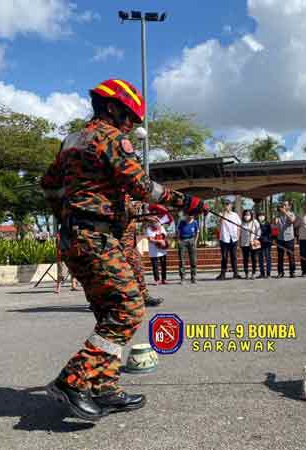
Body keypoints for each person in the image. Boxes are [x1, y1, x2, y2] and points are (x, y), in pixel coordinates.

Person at [40, 78, 207, 420]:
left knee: (108, 313)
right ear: (112, 108)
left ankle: (105, 389)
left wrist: (65, 218)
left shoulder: (71, 141)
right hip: (97, 240)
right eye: (131, 117)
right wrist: (186, 201)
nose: (132, 126)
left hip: (77, 239)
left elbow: (51, 186)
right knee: (129, 308)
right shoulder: (111, 137)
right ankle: (73, 380)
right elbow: (140, 185)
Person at [120, 199, 163, 307]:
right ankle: (99, 301)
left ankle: (143, 296)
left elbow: (134, 216)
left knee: (138, 268)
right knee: (111, 272)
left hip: (130, 244)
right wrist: (145, 214)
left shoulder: (132, 199)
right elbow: (126, 213)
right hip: (116, 243)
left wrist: (148, 217)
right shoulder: (118, 197)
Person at [216, 199, 241, 280]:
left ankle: (235, 273)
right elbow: (219, 224)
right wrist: (224, 213)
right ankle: (222, 274)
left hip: (234, 239)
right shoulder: (220, 214)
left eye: (228, 204)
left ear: (231, 205)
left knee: (234, 256)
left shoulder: (235, 215)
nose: (226, 206)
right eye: (225, 204)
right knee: (224, 257)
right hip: (224, 238)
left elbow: (238, 227)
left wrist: (238, 238)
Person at [275, 201, 296, 278]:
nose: (283, 206)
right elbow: (274, 225)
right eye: (282, 205)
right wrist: (275, 220)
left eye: (285, 205)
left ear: (288, 207)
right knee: (280, 256)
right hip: (280, 238)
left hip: (289, 238)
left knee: (291, 256)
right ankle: (280, 272)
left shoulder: (291, 214)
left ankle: (292, 272)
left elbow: (292, 221)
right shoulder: (278, 215)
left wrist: (285, 213)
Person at [177, 214, 200, 284]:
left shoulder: (195, 222)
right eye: (189, 215)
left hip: (191, 240)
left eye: (192, 215)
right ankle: (182, 278)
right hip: (182, 240)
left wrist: (195, 241)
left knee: (193, 260)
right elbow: (178, 231)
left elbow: (197, 232)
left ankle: (193, 277)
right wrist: (178, 241)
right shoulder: (182, 222)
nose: (190, 216)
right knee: (182, 260)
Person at [239, 209, 261, 279]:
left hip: (253, 243)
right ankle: (246, 273)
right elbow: (239, 233)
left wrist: (256, 239)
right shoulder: (241, 223)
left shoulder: (255, 222)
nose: (246, 216)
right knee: (245, 259)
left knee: (254, 259)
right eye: (245, 215)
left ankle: (253, 273)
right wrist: (239, 243)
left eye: (248, 214)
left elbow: (259, 231)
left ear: (251, 215)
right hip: (244, 243)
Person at [146, 218, 168, 284]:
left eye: (156, 222)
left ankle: (164, 279)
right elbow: (150, 239)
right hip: (153, 250)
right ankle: (157, 280)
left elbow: (165, 235)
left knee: (163, 264)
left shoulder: (161, 227)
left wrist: (163, 241)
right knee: (155, 265)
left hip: (162, 249)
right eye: (153, 222)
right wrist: (159, 241)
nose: (155, 224)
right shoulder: (149, 229)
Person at [257, 212, 272, 278]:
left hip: (267, 243)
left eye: (262, 215)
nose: (261, 217)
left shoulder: (268, 224)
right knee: (260, 258)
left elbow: (270, 233)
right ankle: (262, 273)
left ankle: (268, 273)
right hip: (259, 243)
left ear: (265, 216)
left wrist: (267, 239)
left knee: (267, 258)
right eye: (260, 215)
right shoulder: (257, 224)